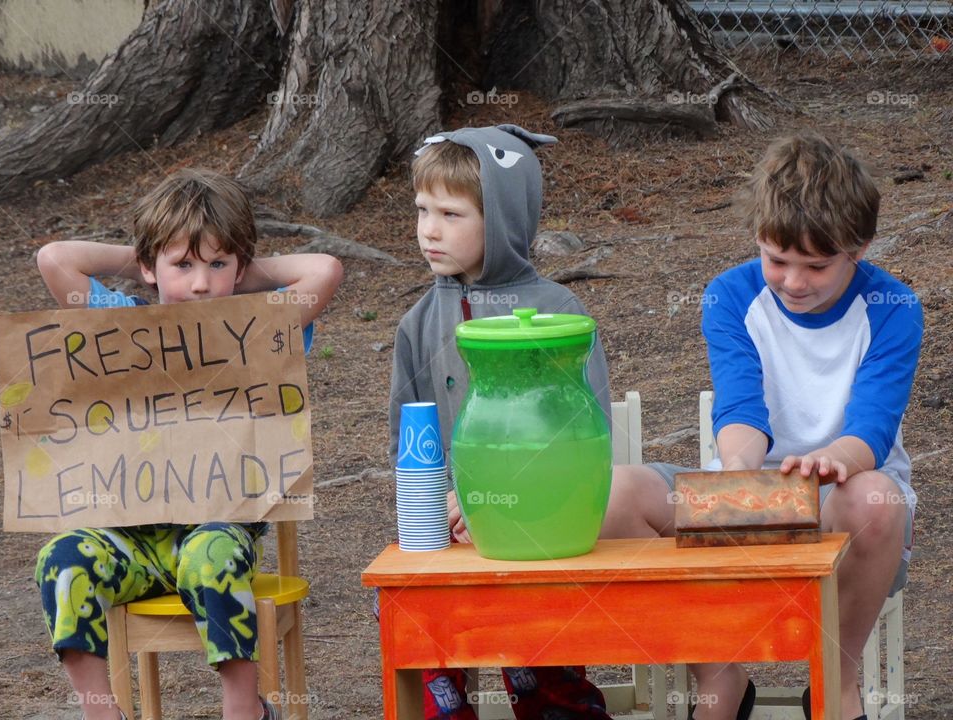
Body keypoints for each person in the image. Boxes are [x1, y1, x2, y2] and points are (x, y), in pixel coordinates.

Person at [601, 131, 921, 720]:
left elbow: (873, 428)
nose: (794, 282)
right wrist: (740, 483)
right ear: (757, 240)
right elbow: (741, 406)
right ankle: (718, 671)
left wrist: (831, 462)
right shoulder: (730, 294)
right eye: (778, 260)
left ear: (860, 248)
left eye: (816, 266)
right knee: (617, 493)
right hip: (752, 493)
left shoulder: (894, 308)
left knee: (873, 497)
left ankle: (835, 679)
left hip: (845, 502)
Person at [34, 168, 343, 720]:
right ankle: (101, 712)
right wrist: (151, 257)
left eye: (218, 264)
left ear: (239, 268)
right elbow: (55, 258)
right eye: (184, 266)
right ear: (150, 268)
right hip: (130, 543)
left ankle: (245, 710)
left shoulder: (259, 327)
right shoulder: (121, 323)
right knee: (61, 561)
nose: (201, 283)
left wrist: (237, 273)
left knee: (210, 558)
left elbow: (324, 268)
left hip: (215, 531)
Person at [389, 124, 614, 720]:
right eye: (421, 210)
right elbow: (408, 440)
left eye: (451, 214)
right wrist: (440, 501)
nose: (429, 230)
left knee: (542, 651)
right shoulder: (416, 324)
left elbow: (586, 433)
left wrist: (497, 502)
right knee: (419, 613)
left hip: (540, 529)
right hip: (447, 533)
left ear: (506, 219)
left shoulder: (558, 313)